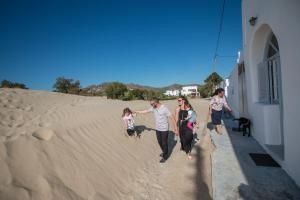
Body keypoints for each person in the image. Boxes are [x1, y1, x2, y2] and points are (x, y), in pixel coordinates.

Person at [135, 98, 177, 163]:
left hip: (164, 129)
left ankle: (165, 156)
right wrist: (137, 111)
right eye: (150, 104)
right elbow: (146, 111)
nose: (151, 105)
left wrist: (175, 128)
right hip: (158, 128)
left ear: (156, 103)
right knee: (159, 142)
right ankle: (164, 152)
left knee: (164, 143)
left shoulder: (164, 108)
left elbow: (172, 117)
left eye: (152, 104)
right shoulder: (153, 108)